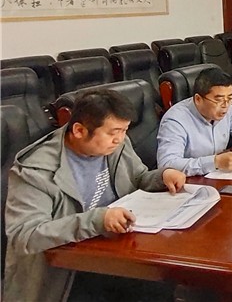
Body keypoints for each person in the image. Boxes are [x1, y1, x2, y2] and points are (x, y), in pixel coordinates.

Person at [4, 90, 187, 302]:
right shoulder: (35, 171)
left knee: (162, 281)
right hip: (65, 272)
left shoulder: (116, 145)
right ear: (79, 130)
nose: (120, 139)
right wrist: (98, 220)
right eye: (114, 132)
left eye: (124, 130)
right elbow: (25, 235)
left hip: (115, 250)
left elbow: (138, 177)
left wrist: (162, 176)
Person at [157, 68, 232, 176]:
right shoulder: (175, 120)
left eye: (230, 98)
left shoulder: (227, 108)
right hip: (189, 183)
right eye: (219, 100)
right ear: (198, 99)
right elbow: (167, 164)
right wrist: (215, 162)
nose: (225, 105)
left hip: (218, 176)